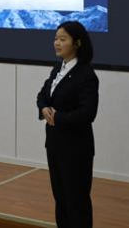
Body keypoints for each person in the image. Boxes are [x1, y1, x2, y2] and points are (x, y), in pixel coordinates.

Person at [36, 20, 99, 228]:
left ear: (77, 43)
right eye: (56, 38)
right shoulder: (58, 68)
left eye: (63, 39)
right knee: (61, 199)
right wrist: (43, 109)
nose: (57, 43)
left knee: (76, 201)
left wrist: (58, 117)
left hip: (76, 148)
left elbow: (88, 113)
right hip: (54, 145)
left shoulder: (86, 74)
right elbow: (43, 95)